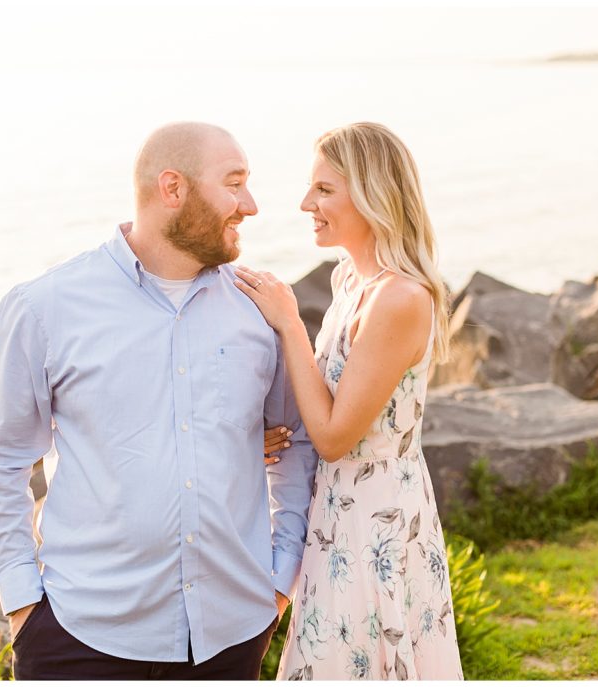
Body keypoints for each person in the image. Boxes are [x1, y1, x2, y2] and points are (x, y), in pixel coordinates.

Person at [0, 121, 318, 680]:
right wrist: (22, 603)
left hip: (231, 634)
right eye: (234, 183)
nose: (250, 205)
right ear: (172, 189)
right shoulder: (45, 307)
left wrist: (280, 577)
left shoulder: (261, 313)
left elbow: (294, 446)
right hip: (81, 633)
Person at [234, 122, 464, 680]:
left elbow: (337, 438)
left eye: (324, 190)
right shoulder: (351, 281)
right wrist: (256, 439)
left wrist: (288, 321)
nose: (306, 203)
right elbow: (330, 403)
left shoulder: (399, 298)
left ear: (371, 194)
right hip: (338, 511)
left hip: (375, 519)